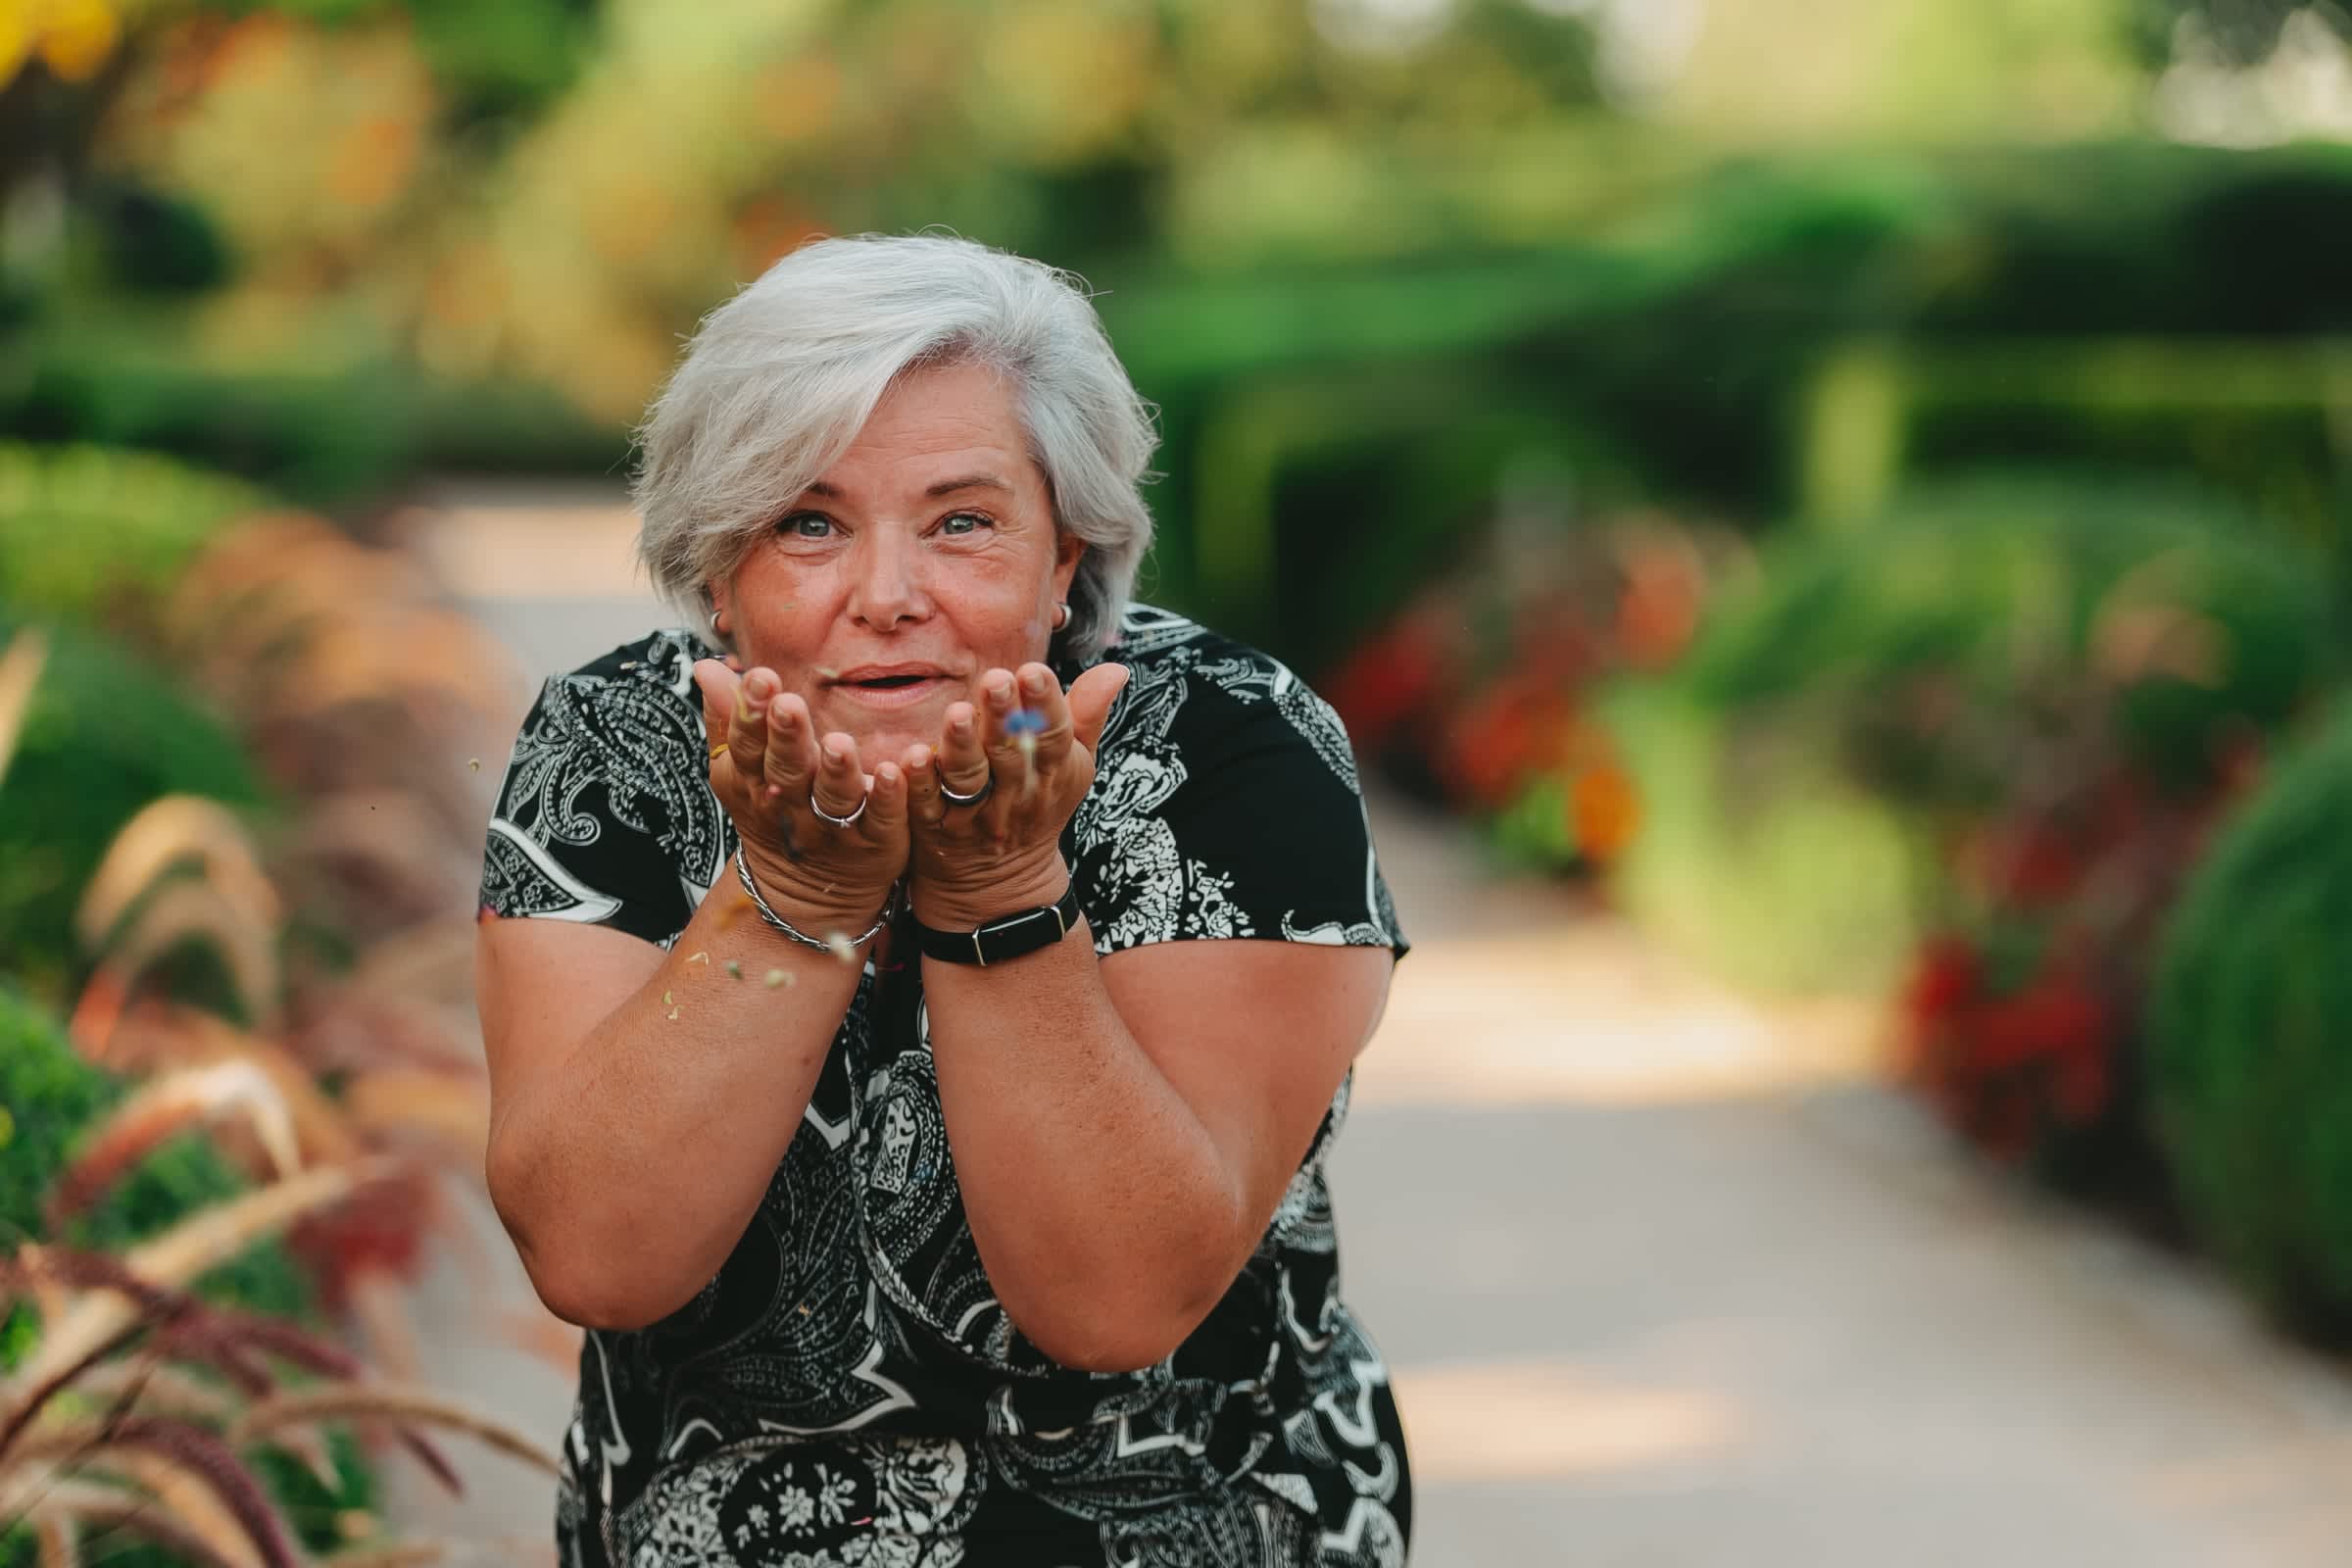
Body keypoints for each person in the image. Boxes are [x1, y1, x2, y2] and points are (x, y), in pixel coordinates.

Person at [474, 233, 1411, 1567]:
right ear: (720, 570)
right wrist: (798, 894)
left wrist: (997, 892)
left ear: (1065, 552)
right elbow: (596, 1256)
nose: (889, 598)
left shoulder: (1232, 749)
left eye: (963, 522)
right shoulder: (611, 745)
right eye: (809, 523)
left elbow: (1118, 1300)